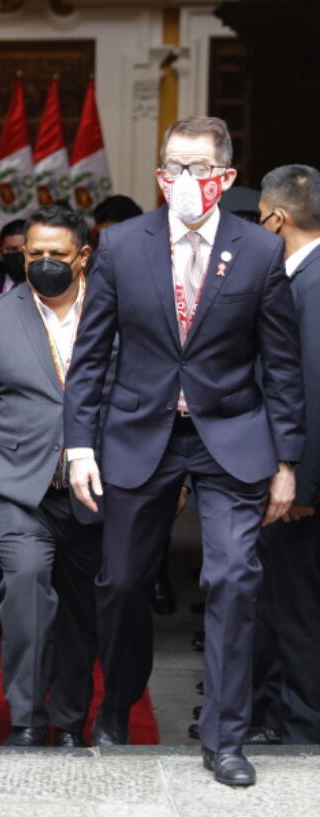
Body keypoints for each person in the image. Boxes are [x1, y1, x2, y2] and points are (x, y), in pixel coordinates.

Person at [65, 116, 303, 786]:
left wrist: (287, 462)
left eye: (198, 168)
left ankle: (225, 735)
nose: (184, 180)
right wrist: (79, 443)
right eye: (173, 166)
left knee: (232, 575)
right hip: (140, 431)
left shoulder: (258, 251)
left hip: (230, 433)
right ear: (159, 175)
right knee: (119, 583)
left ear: (225, 178)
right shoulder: (119, 246)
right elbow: (90, 358)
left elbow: (281, 365)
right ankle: (116, 706)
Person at [0, 205, 102, 747]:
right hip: (16, 484)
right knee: (27, 592)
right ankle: (28, 718)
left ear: (83, 256)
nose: (45, 262)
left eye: (58, 254)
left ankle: (72, 721)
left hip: (92, 487)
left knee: (81, 610)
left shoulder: (112, 311)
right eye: (35, 254)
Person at [249, 164, 320, 745]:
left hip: (303, 489)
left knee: (298, 613)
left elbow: (312, 388)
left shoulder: (311, 283)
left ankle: (303, 730)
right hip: (295, 478)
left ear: (275, 219)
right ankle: (277, 714)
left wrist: (301, 483)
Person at [0, 218, 27, 294]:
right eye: (12, 249)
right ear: (0, 254)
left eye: (25, 250)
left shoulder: (45, 287)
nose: (20, 256)